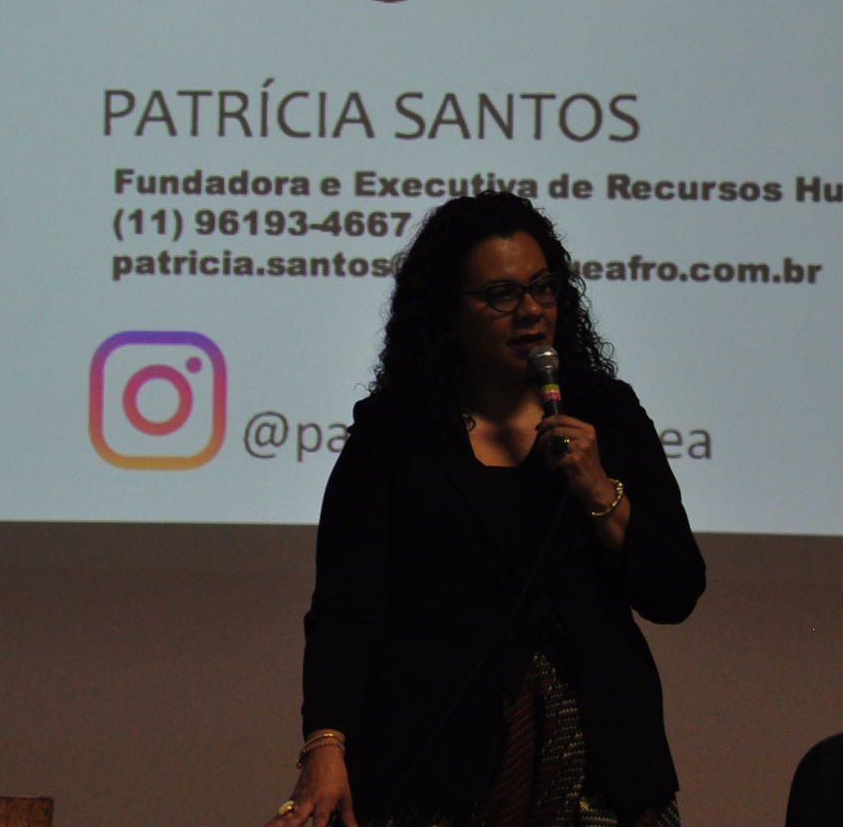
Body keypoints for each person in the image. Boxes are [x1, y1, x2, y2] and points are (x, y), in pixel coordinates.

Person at [267, 192, 704, 827]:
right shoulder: (394, 433)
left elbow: (675, 592)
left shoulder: (607, 415)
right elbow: (346, 607)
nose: (531, 311)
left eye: (543, 288)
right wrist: (326, 745)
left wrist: (598, 487)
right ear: (447, 312)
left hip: (604, 766)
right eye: (502, 295)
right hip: (436, 763)